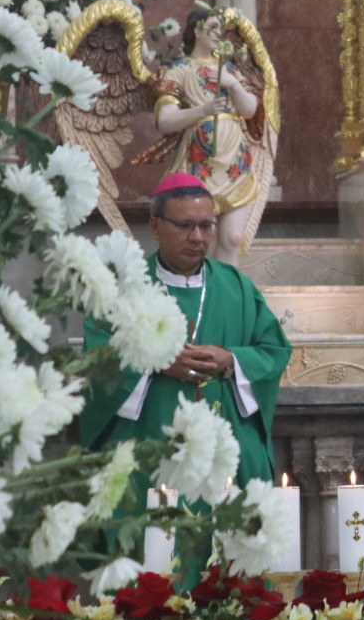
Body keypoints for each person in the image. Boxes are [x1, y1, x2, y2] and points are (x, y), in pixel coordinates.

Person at [80, 174, 292, 489]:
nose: (197, 237)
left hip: (224, 452)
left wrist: (231, 360)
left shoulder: (237, 288)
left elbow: (274, 352)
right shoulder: (125, 288)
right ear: (155, 227)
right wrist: (156, 363)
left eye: (206, 226)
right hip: (149, 448)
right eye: (184, 226)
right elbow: (97, 363)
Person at [137, 8, 266, 266]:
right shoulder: (180, 70)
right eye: (213, 27)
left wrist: (233, 84)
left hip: (234, 162)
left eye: (222, 29)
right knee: (196, 239)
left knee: (231, 237)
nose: (220, 34)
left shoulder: (228, 69)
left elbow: (250, 110)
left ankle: (227, 297)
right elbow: (165, 120)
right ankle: (199, 293)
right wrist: (203, 110)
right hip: (199, 163)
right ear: (196, 30)